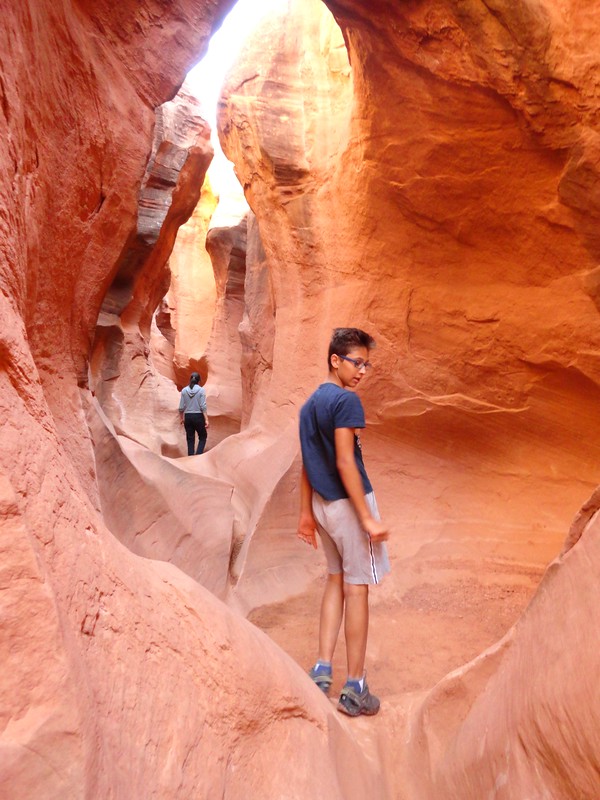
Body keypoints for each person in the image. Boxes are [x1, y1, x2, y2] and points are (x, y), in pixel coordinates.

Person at [297, 327, 390, 717]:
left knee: (335, 581)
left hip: (322, 506)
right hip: (348, 509)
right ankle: (355, 687)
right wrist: (367, 518)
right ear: (335, 360)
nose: (362, 371)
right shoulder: (346, 403)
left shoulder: (309, 406)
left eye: (366, 364)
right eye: (357, 362)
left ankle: (322, 669)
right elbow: (344, 461)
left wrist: (305, 514)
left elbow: (307, 461)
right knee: (358, 590)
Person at [179, 372, 209, 455]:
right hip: (198, 416)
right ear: (199, 381)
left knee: (190, 439)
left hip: (188, 417)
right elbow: (203, 406)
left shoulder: (184, 390)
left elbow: (181, 407)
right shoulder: (201, 390)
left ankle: (190, 458)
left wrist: (182, 418)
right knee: (203, 436)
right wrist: (206, 419)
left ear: (190, 380)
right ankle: (198, 455)